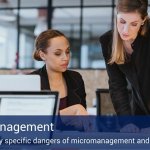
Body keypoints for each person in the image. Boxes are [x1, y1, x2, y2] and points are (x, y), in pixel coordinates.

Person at [99, 0, 150, 115]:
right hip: (139, 112)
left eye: (134, 24)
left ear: (143, 20)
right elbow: (117, 85)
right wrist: (126, 121)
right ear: (116, 14)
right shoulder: (107, 42)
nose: (125, 30)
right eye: (122, 21)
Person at [30, 29, 88, 118]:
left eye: (67, 52)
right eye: (58, 53)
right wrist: (72, 111)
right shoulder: (33, 81)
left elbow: (81, 118)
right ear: (42, 55)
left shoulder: (76, 78)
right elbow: (33, 122)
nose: (65, 58)